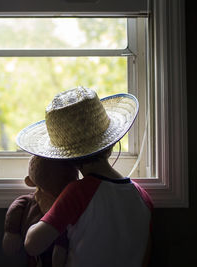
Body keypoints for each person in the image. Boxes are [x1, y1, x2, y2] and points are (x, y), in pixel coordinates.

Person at [16, 86, 153, 267]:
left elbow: (32, 244)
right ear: (111, 143)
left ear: (66, 158)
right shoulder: (143, 197)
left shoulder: (78, 192)